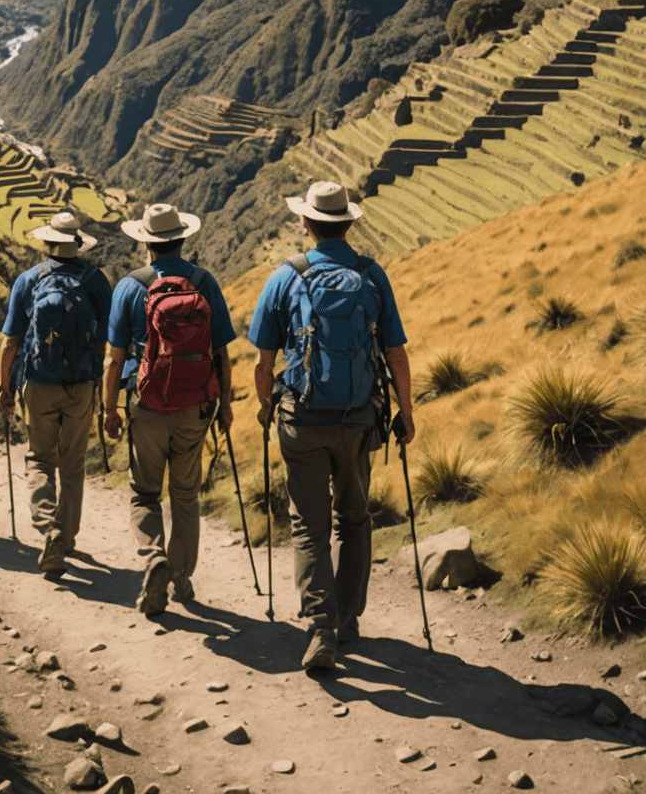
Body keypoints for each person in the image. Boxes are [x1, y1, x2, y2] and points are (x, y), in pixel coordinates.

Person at [248, 180, 415, 676]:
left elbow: (263, 361)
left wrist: (265, 406)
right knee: (354, 517)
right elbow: (396, 353)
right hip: (358, 418)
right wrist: (407, 411)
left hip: (301, 417)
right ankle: (348, 619)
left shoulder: (286, 276)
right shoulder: (371, 274)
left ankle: (319, 627)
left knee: (308, 524)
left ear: (306, 222)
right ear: (348, 222)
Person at [102, 201, 236, 616]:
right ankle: (181, 577)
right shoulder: (204, 282)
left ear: (146, 243)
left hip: (146, 404)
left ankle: (153, 556)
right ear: (182, 238)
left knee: (144, 492)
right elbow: (222, 354)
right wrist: (225, 405)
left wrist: (109, 408)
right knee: (185, 496)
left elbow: (113, 357)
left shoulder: (130, 287)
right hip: (194, 406)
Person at [0, 211, 112, 576]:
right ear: (78, 242)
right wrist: (95, 383)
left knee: (40, 459)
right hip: (80, 384)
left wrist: (6, 387)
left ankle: (48, 529)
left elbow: (9, 342)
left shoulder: (29, 280)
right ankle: (65, 535)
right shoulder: (96, 281)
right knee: (73, 463)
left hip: (39, 382)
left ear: (48, 241)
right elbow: (103, 341)